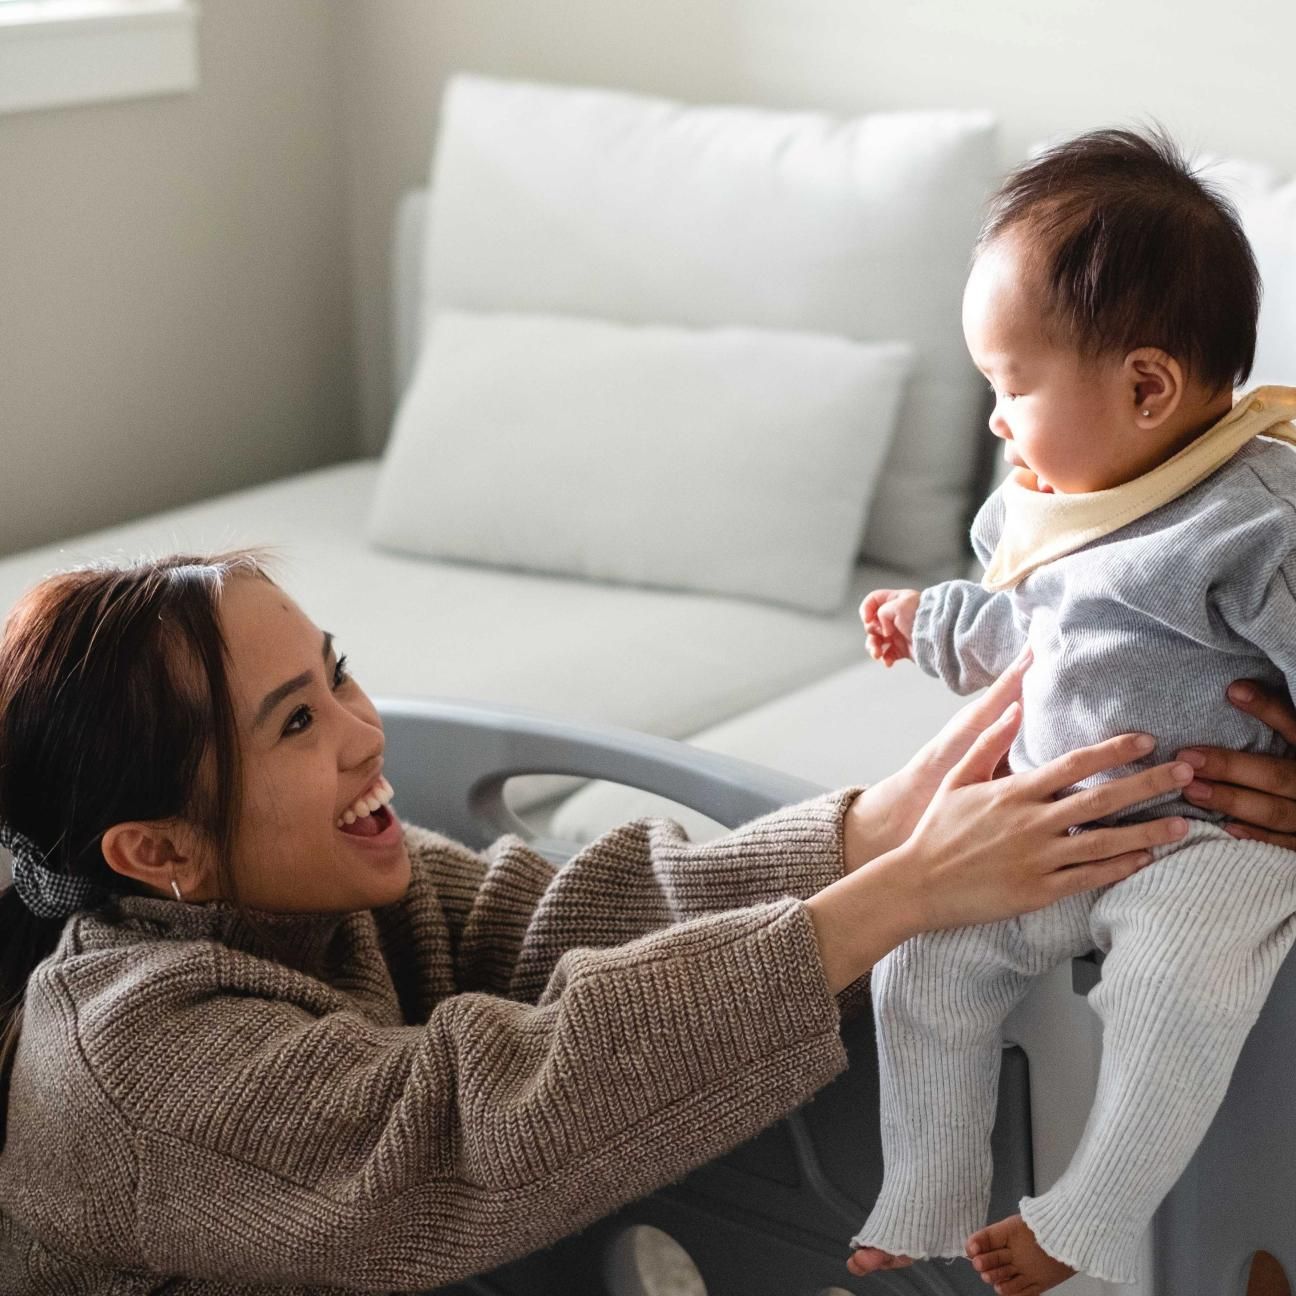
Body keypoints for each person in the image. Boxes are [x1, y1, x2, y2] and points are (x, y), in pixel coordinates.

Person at [0, 548, 1239, 1296]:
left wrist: (868, 829)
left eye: (337, 675)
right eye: (295, 725)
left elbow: (550, 920)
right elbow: (463, 1128)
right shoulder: (132, 1061)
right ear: (158, 853)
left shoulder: (314, 898)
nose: (363, 734)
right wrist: (899, 900)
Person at [854, 126, 1296, 1291]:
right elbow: (1029, 633)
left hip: (1210, 839)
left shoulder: (1256, 523)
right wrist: (930, 624)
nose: (997, 422)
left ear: (1146, 385)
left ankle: (1085, 1218)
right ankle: (931, 1191)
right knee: (926, 961)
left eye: (1010, 386)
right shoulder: (1051, 500)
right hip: (1060, 826)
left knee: (1170, 994)